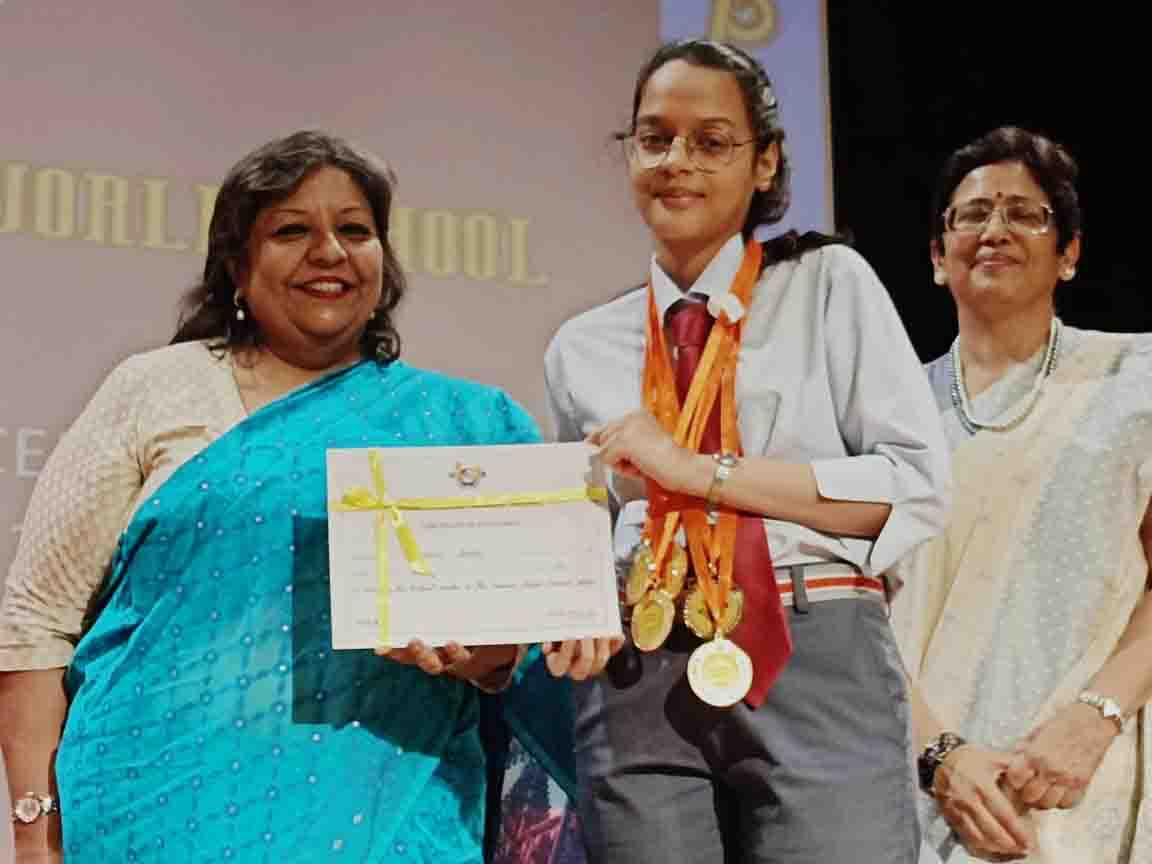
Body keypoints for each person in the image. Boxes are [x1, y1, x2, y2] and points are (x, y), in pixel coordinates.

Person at [0, 129, 608, 864]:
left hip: (390, 817)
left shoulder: (465, 424)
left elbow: (534, 652)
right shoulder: (154, 390)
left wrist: (485, 658)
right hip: (151, 810)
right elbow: (37, 621)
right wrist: (34, 833)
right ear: (237, 264)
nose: (329, 252)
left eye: (355, 231)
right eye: (292, 231)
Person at [543, 39, 951, 863]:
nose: (676, 162)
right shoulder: (582, 345)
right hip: (637, 668)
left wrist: (697, 472)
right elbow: (580, 528)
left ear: (765, 162)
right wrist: (570, 608)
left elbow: (910, 484)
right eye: (654, 138)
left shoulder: (827, 284)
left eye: (711, 141)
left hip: (813, 641)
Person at [893, 126, 1152, 863]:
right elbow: (854, 615)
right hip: (921, 783)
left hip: (1084, 775)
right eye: (971, 215)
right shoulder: (888, 416)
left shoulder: (1134, 382)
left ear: (1068, 254)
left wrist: (1095, 716)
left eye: (1025, 214)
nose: (995, 230)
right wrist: (939, 754)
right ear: (938, 257)